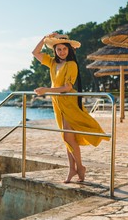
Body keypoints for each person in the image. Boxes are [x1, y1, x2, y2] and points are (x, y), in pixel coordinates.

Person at [32, 33, 109, 183]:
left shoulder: (71, 65)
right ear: (54, 51)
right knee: (67, 138)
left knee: (68, 137)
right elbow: (35, 53)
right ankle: (72, 169)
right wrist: (45, 38)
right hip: (58, 103)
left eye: (64, 49)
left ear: (69, 50)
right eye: (58, 49)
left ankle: (80, 167)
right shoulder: (53, 63)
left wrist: (46, 90)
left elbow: (67, 87)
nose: (61, 52)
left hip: (69, 102)